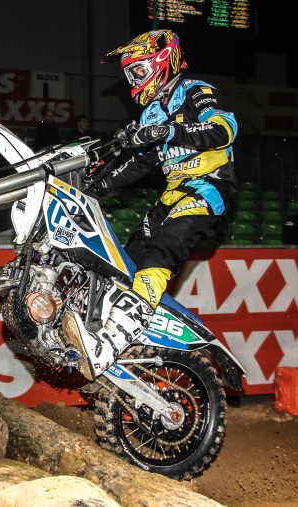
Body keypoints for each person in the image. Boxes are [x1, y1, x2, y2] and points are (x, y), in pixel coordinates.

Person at [63, 29, 238, 381]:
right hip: (173, 193)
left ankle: (119, 335)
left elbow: (224, 130)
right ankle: (113, 328)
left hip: (208, 187)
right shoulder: (152, 112)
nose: (134, 80)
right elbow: (143, 162)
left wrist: (169, 131)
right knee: (129, 255)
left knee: (162, 250)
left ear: (163, 62)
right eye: (130, 74)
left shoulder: (196, 91)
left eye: (139, 71)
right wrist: (99, 185)